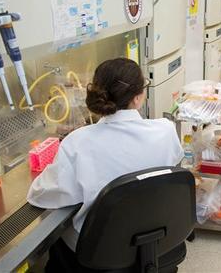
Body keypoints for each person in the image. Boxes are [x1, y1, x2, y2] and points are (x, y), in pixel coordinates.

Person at [27, 57, 184, 254]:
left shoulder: (77, 143)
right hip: (159, 238)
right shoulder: (165, 131)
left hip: (102, 250)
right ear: (137, 97)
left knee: (56, 246)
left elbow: (42, 195)